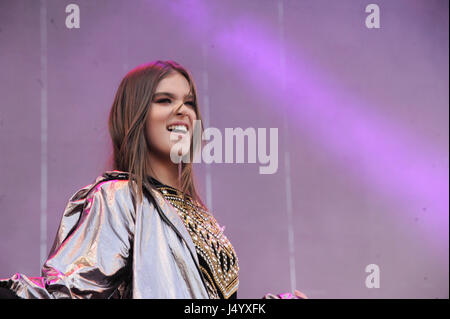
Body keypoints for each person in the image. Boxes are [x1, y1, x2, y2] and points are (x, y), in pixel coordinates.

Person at [0, 60, 307, 299]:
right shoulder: (120, 197)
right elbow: (70, 289)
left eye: (190, 103)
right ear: (135, 115)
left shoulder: (198, 214)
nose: (182, 110)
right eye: (164, 100)